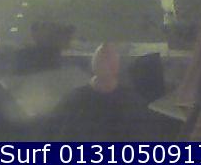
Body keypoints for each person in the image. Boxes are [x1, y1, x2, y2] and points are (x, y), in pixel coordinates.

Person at [49, 43, 179, 141]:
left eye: (108, 61)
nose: (105, 65)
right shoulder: (72, 102)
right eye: (103, 60)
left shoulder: (134, 104)